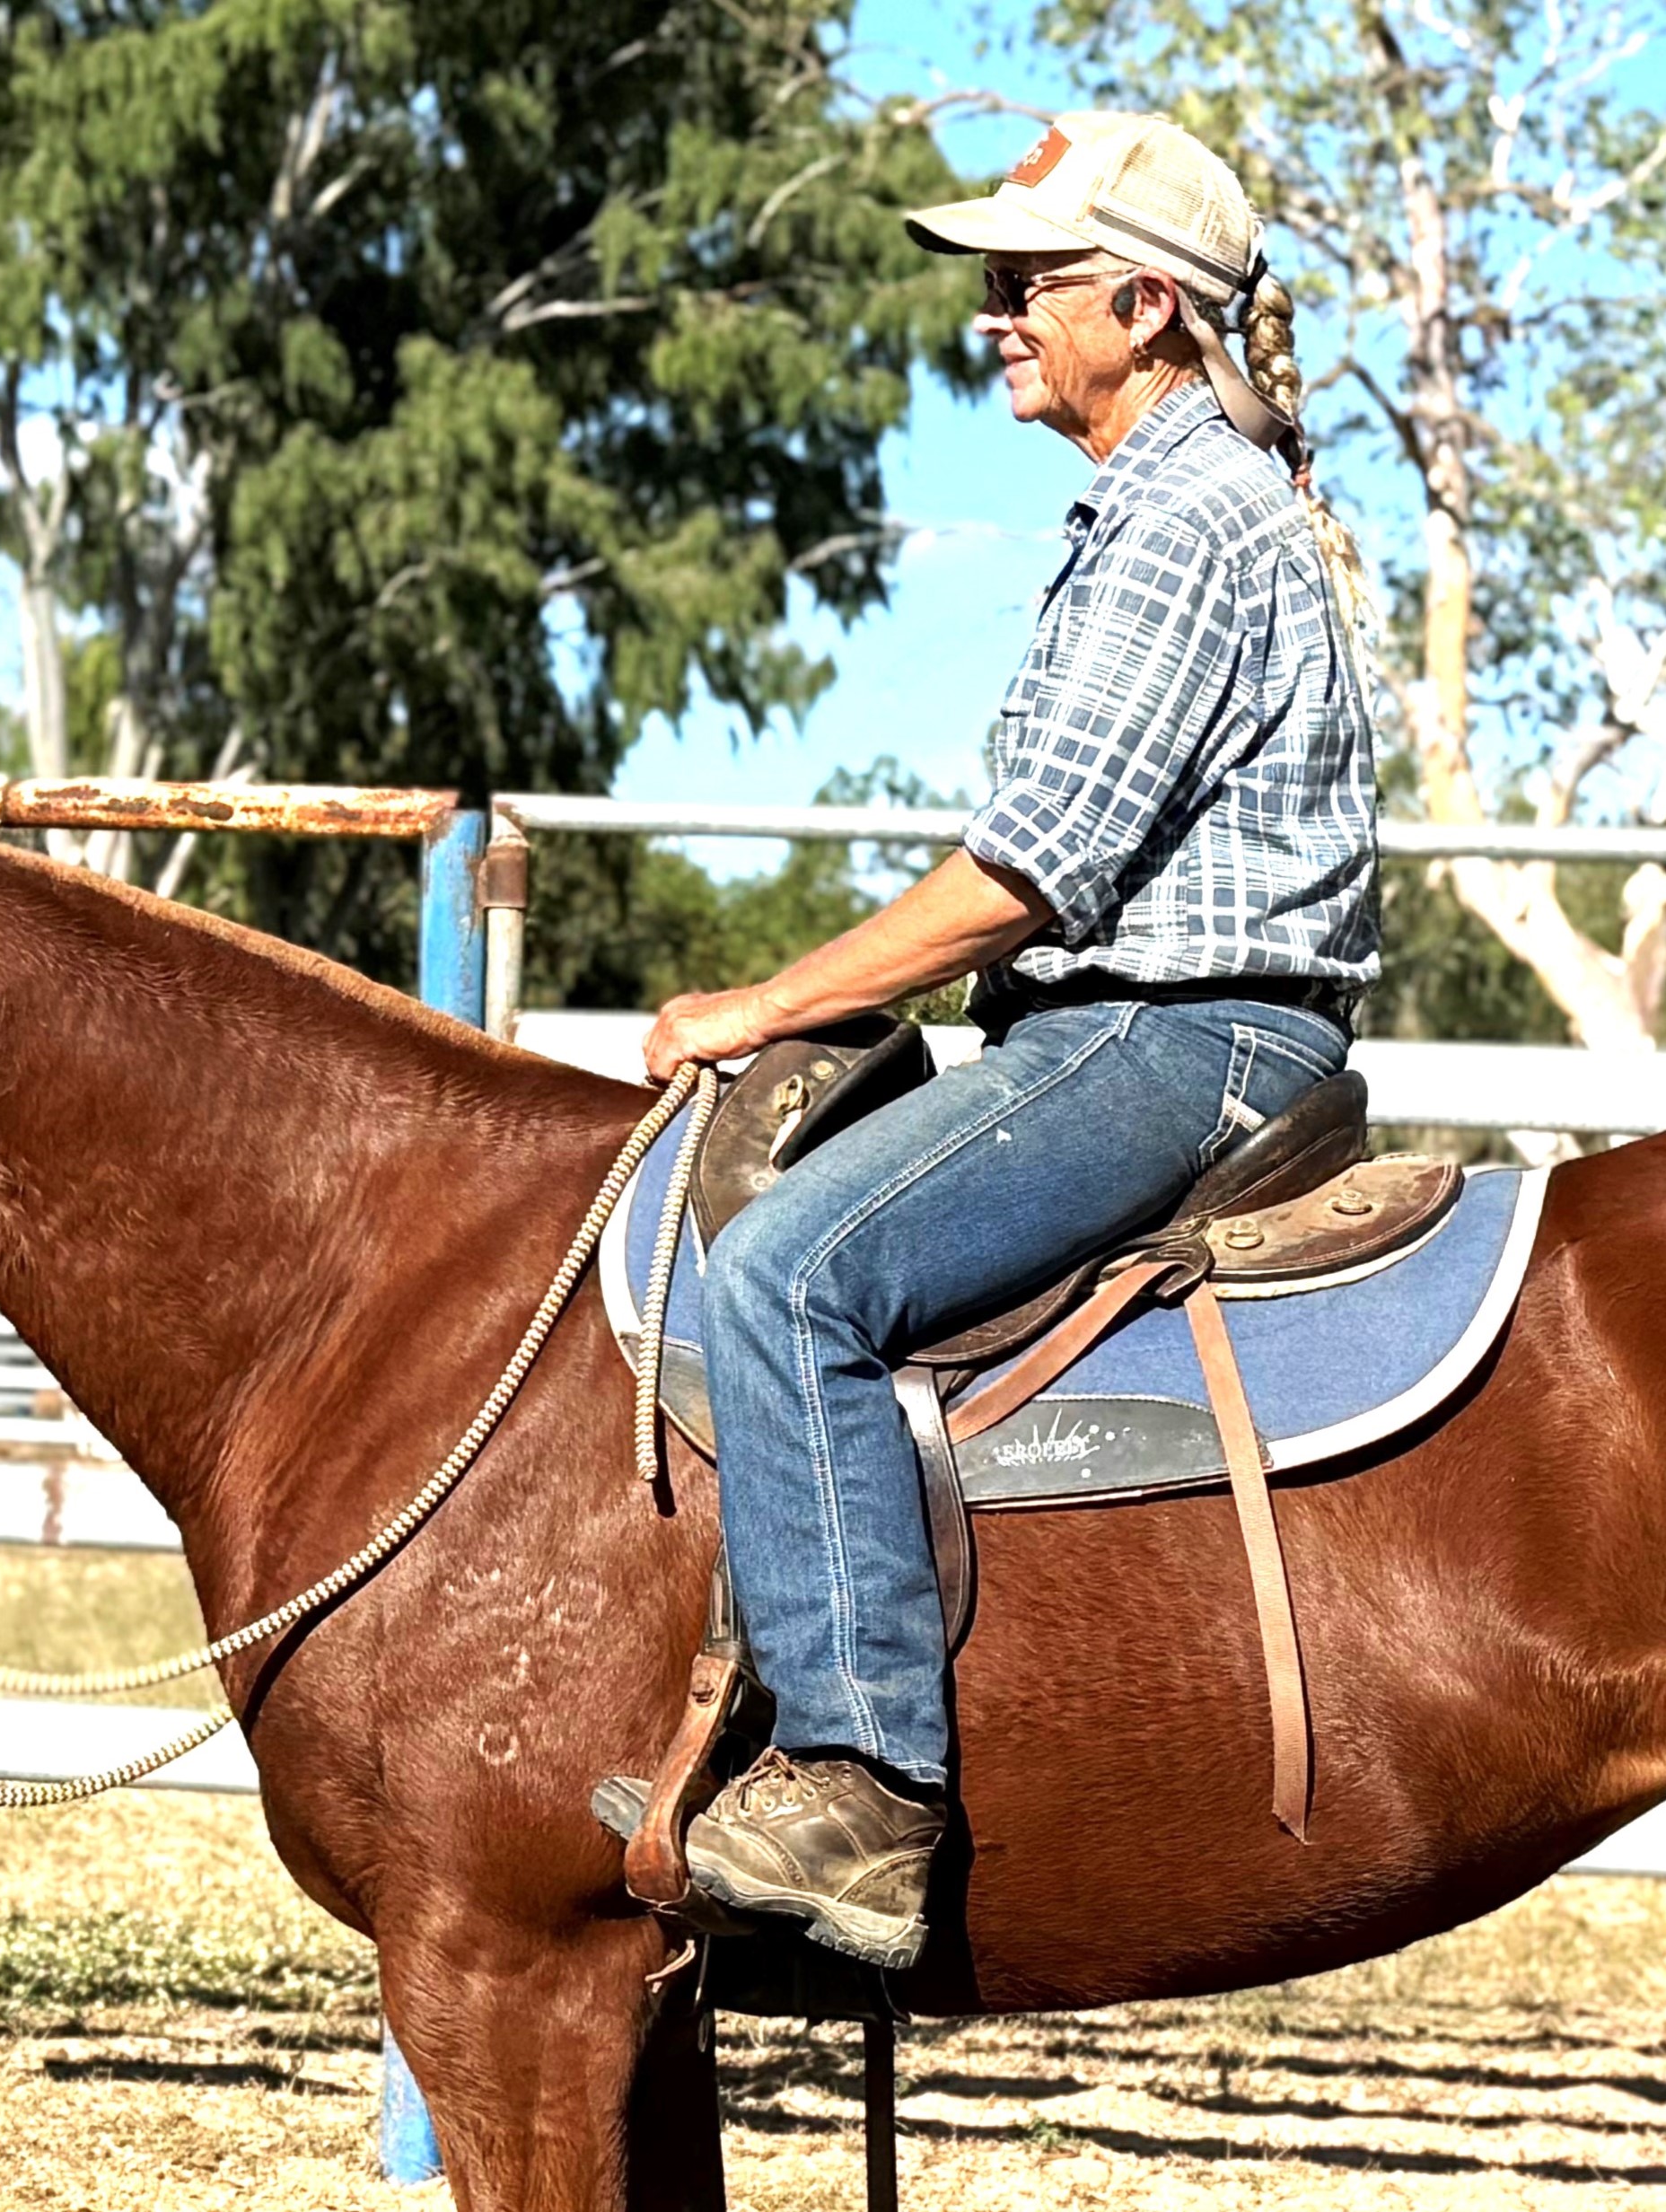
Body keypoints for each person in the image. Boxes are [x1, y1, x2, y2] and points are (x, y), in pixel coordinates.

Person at [630, 110, 1381, 1971]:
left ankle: (862, 1782)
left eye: (1030, 279)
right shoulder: (1164, 505)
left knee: (787, 1272)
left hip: (1177, 1035)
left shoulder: (1182, 523)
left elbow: (1027, 873)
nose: (994, 311)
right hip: (1149, 1023)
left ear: (1145, 307)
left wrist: (763, 1002)